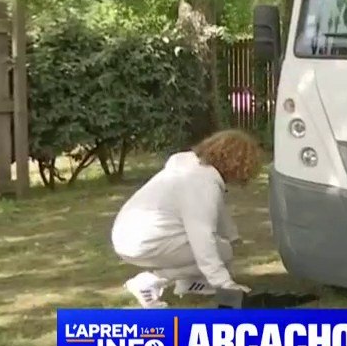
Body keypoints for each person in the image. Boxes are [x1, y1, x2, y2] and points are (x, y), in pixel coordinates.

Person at [111, 129, 262, 308]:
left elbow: (217, 208)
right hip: (144, 241)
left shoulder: (192, 167)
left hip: (127, 234)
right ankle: (150, 282)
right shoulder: (202, 183)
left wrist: (233, 236)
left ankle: (190, 284)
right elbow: (203, 238)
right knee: (222, 251)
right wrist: (225, 285)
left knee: (222, 247)